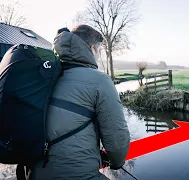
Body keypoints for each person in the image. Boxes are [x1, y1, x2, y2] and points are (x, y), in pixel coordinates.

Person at [17, 25, 130, 180]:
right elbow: (117, 143)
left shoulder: (45, 74)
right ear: (91, 49)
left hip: (31, 173)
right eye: (100, 51)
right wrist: (116, 162)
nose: (99, 56)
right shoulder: (100, 81)